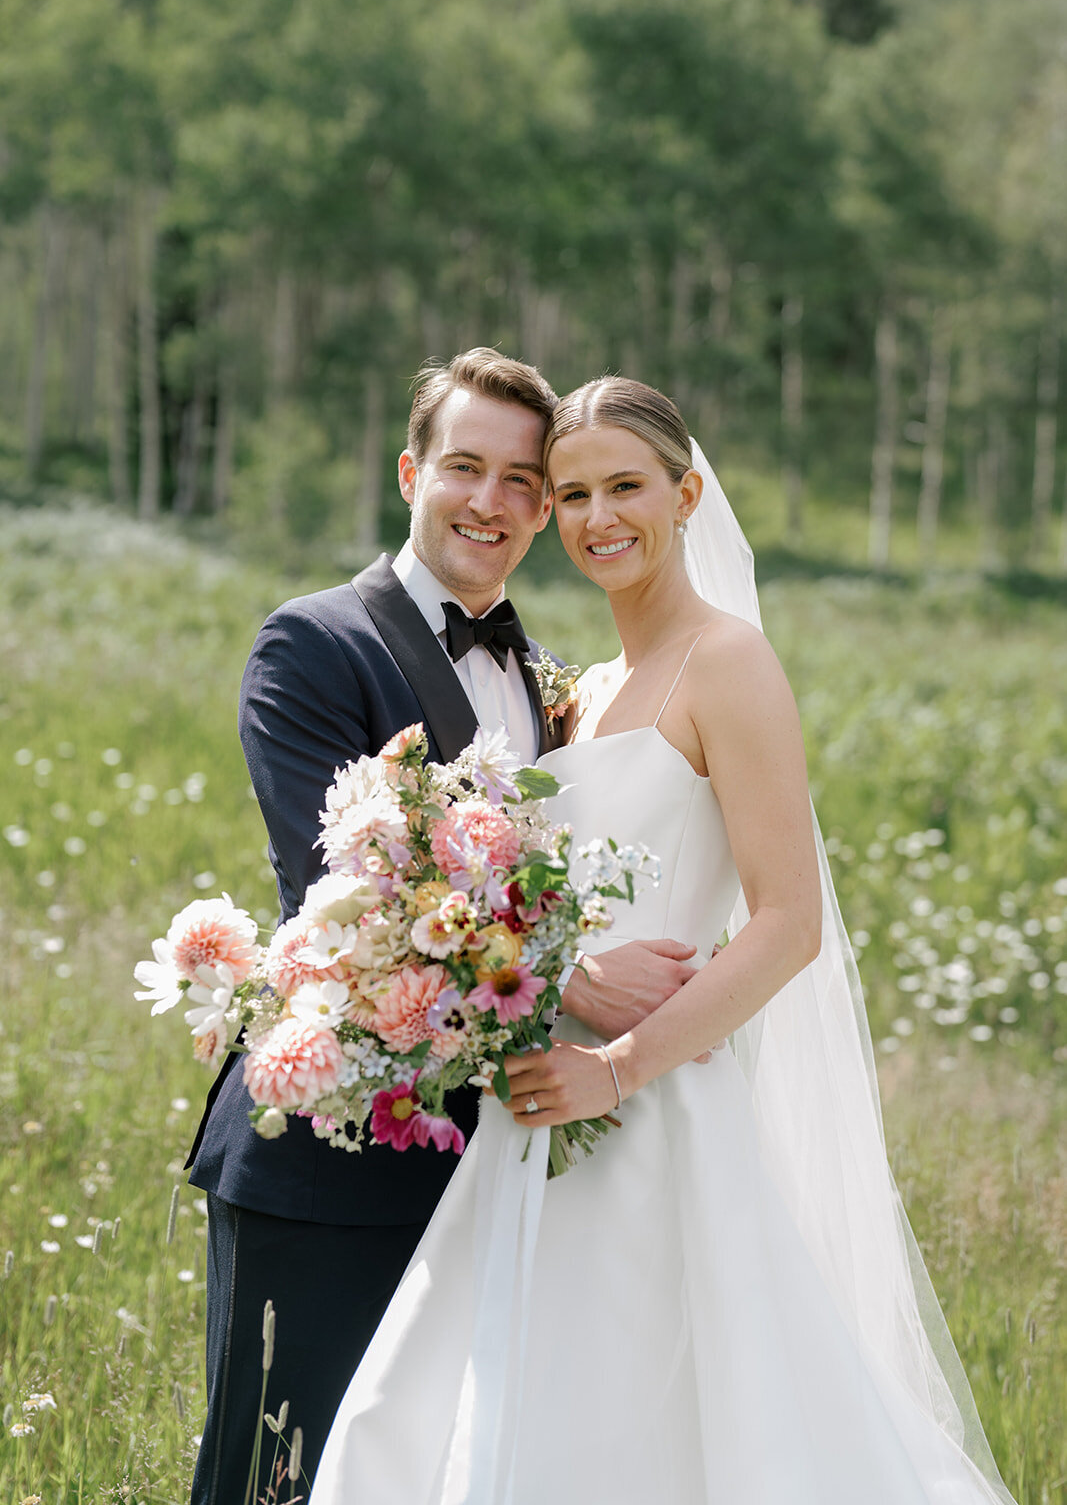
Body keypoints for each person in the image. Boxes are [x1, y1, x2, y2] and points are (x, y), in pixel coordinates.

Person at [309, 377, 1017, 1505]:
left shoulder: (724, 661)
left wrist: (620, 1068)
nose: (598, 518)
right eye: (573, 491)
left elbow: (787, 923)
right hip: (536, 1110)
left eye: (625, 487)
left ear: (687, 494)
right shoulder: (577, 693)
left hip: (653, 1109)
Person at [183, 352, 703, 1504]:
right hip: (329, 1146)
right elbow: (343, 894)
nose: (493, 502)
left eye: (526, 481)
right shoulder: (313, 643)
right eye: (465, 467)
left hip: (498, 1159)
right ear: (411, 468)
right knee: (274, 1476)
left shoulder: (543, 676)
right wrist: (571, 979)